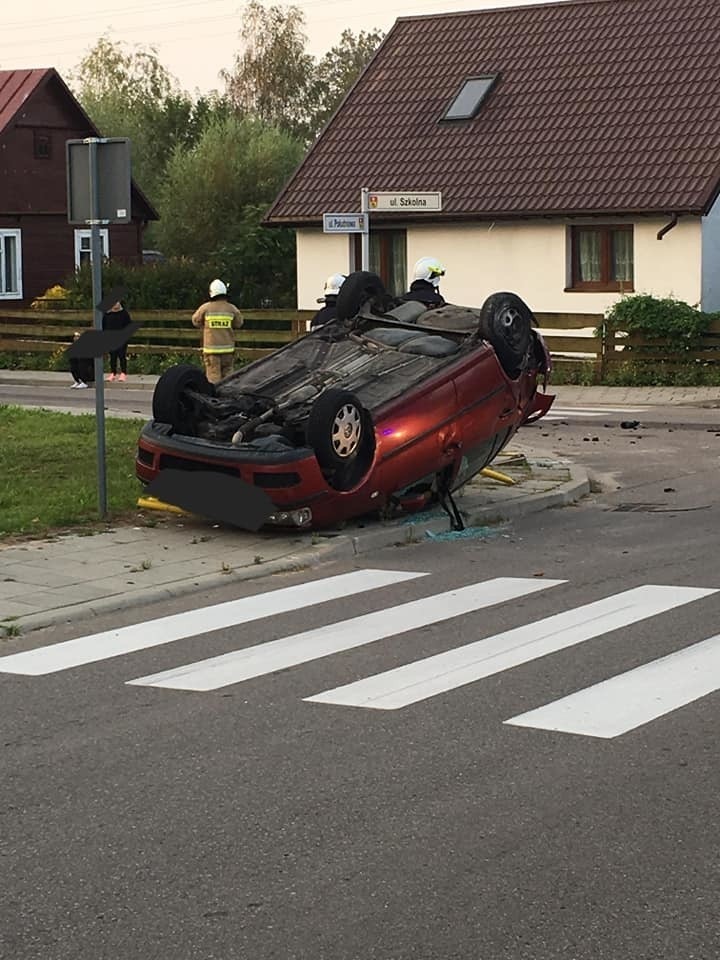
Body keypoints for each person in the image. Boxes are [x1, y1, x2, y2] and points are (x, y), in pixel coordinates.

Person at [192, 279, 244, 384]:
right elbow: (239, 323)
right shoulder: (232, 309)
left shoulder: (205, 308)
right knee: (229, 376)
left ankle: (215, 399)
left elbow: (195, 321)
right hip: (228, 350)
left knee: (213, 378)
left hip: (212, 351)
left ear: (211, 293)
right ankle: (229, 397)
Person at [102, 297, 133, 382]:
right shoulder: (107, 314)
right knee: (112, 356)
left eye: (117, 302)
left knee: (122, 355)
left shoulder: (124, 314)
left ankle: (123, 373)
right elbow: (104, 326)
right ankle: (113, 373)